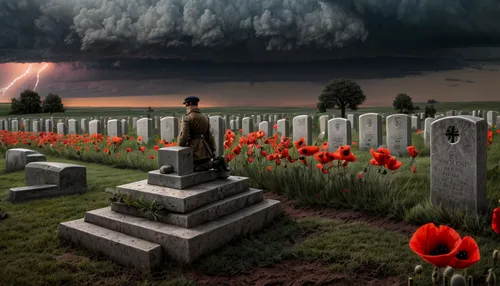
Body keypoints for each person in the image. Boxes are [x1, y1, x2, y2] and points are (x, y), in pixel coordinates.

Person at [178, 96, 228, 172]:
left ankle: (213, 164)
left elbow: (183, 138)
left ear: (189, 104)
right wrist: (212, 151)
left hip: (193, 151)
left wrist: (180, 144)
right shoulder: (205, 118)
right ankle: (215, 163)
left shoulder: (187, 118)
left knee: (190, 168)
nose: (186, 108)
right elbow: (209, 136)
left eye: (186, 105)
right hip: (205, 150)